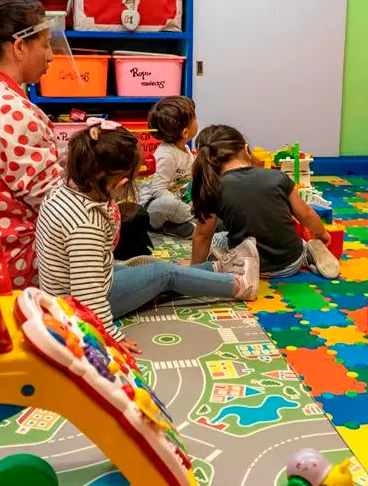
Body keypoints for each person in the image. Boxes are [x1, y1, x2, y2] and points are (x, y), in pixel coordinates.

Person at [0, 0, 148, 288]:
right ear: (19, 47)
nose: (51, 55)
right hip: (9, 266)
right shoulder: (14, 113)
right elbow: (69, 209)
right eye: (45, 45)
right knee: (129, 224)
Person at [35, 120, 259, 354]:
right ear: (120, 183)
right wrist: (109, 336)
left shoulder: (62, 191)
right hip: (77, 309)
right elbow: (88, 297)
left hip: (75, 290)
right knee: (163, 273)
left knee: (156, 268)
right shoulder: (85, 223)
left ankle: (215, 268)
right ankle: (237, 285)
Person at [190, 125, 340, 279]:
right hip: (291, 263)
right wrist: (322, 233)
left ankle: (223, 261)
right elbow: (306, 214)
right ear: (246, 149)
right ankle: (309, 254)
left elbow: (202, 236)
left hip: (250, 268)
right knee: (300, 242)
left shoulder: (212, 189)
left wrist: (193, 271)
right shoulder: (277, 177)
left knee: (218, 238)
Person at [138, 96, 199, 238]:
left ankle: (174, 226)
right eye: (194, 118)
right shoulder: (166, 155)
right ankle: (198, 219)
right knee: (168, 204)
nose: (197, 120)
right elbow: (157, 191)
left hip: (178, 204)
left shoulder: (184, 149)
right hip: (151, 209)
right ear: (185, 132)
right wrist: (188, 208)